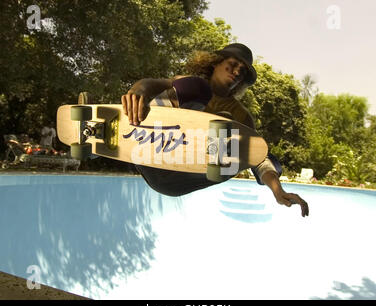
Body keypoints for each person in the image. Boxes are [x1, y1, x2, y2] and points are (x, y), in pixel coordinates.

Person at [121, 43, 309, 217]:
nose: (237, 72)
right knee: (195, 87)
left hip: (187, 177)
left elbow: (259, 159)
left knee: (228, 123)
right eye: (233, 64)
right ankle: (116, 134)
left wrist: (278, 190)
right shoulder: (189, 86)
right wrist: (138, 92)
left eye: (242, 72)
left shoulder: (241, 115)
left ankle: (205, 151)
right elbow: (152, 84)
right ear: (215, 64)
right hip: (154, 158)